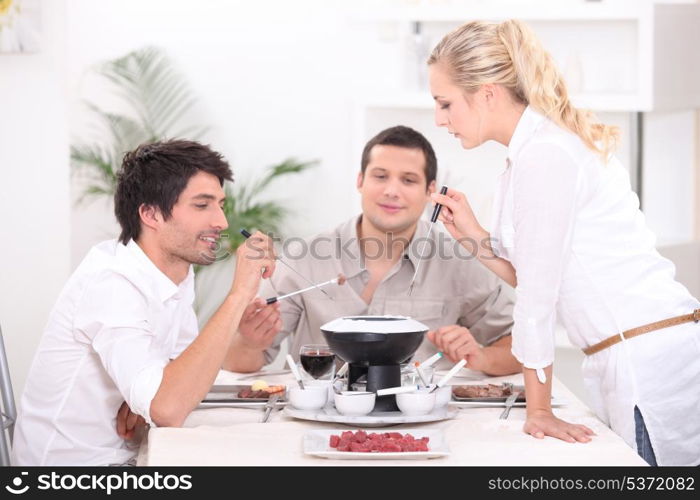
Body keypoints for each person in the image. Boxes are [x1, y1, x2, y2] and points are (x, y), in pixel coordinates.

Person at [426, 19, 700, 465]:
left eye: (445, 103)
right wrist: (475, 239)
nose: (440, 119)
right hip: (632, 355)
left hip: (649, 363)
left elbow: (537, 296)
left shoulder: (545, 156)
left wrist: (538, 409)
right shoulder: (532, 153)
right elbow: (542, 273)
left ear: (488, 93)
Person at [12, 140, 278, 465]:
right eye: (202, 205)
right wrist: (239, 294)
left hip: (135, 455)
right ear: (151, 214)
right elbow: (169, 406)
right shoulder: (111, 282)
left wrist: (147, 398)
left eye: (220, 204)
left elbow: (179, 378)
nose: (221, 221)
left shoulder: (176, 271)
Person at [225, 125, 521, 375]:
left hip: (421, 429)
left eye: (408, 180)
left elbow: (520, 347)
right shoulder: (305, 258)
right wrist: (250, 343)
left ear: (431, 191)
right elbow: (240, 362)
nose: (392, 190)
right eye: (380, 176)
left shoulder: (459, 263)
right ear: (360, 181)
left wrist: (481, 357)